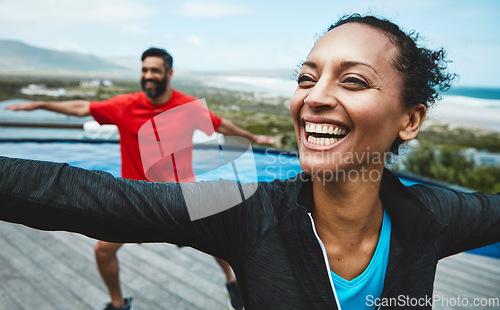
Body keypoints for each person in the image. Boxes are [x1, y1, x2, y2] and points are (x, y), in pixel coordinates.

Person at [0, 14, 499, 310]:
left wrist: (252, 134)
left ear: (410, 120)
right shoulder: (246, 211)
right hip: (171, 195)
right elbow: (76, 194)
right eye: (306, 79)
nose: (313, 97)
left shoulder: (435, 218)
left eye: (353, 80)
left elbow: (219, 125)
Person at [4, 47, 273, 310]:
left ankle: (232, 283)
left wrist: (255, 138)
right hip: (135, 196)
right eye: (144, 70)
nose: (147, 75)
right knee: (103, 251)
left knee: (220, 238)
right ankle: (119, 304)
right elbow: (81, 107)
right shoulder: (124, 106)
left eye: (154, 70)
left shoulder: (187, 107)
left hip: (181, 195)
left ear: (169, 73)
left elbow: (221, 124)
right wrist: (40, 104)